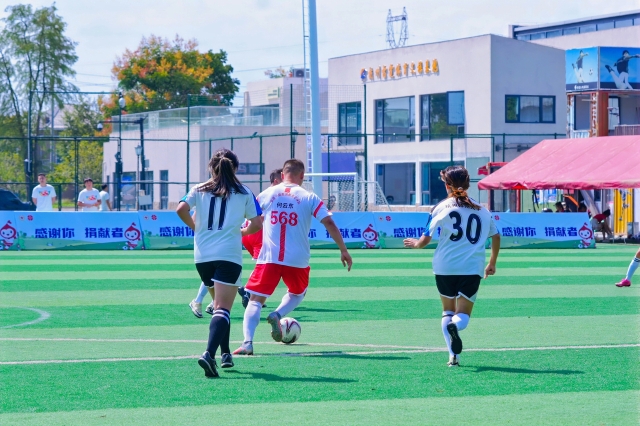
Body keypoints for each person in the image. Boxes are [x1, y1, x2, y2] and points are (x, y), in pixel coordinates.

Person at [233, 159, 353, 356]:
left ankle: (247, 343)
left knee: (255, 300)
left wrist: (240, 234)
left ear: (282, 175)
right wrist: (343, 250)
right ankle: (278, 314)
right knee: (298, 293)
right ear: (302, 176)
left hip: (269, 258)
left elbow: (252, 222)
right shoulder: (309, 197)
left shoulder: (266, 194)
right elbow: (329, 222)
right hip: (297, 259)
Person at [176, 148, 262, 378]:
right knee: (223, 308)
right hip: (228, 256)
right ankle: (209, 354)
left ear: (211, 167)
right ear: (235, 168)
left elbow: (180, 209)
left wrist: (195, 228)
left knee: (219, 307)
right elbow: (257, 223)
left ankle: (225, 354)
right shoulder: (244, 191)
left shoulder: (199, 188)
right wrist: (243, 232)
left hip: (202, 256)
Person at [403, 166, 500, 367]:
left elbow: (426, 238)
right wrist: (492, 263)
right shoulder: (482, 210)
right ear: (468, 185)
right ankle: (455, 326)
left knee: (447, 311)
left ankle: (453, 357)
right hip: (472, 267)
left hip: (444, 266)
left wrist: (416, 244)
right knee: (462, 314)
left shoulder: (441, 207)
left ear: (447, 186)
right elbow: (496, 236)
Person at [189, 168, 282, 318]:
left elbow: (189, 213)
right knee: (261, 265)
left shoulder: (205, 190)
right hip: (248, 237)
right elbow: (258, 221)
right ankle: (249, 292)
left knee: (215, 269)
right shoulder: (253, 193)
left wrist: (198, 229)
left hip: (212, 246)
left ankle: (203, 301)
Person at [237, 168, 283, 308]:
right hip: (257, 234)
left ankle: (252, 293)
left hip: (248, 233)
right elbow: (261, 218)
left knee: (263, 265)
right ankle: (248, 291)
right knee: (264, 266)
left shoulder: (263, 195)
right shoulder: (274, 195)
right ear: (276, 181)